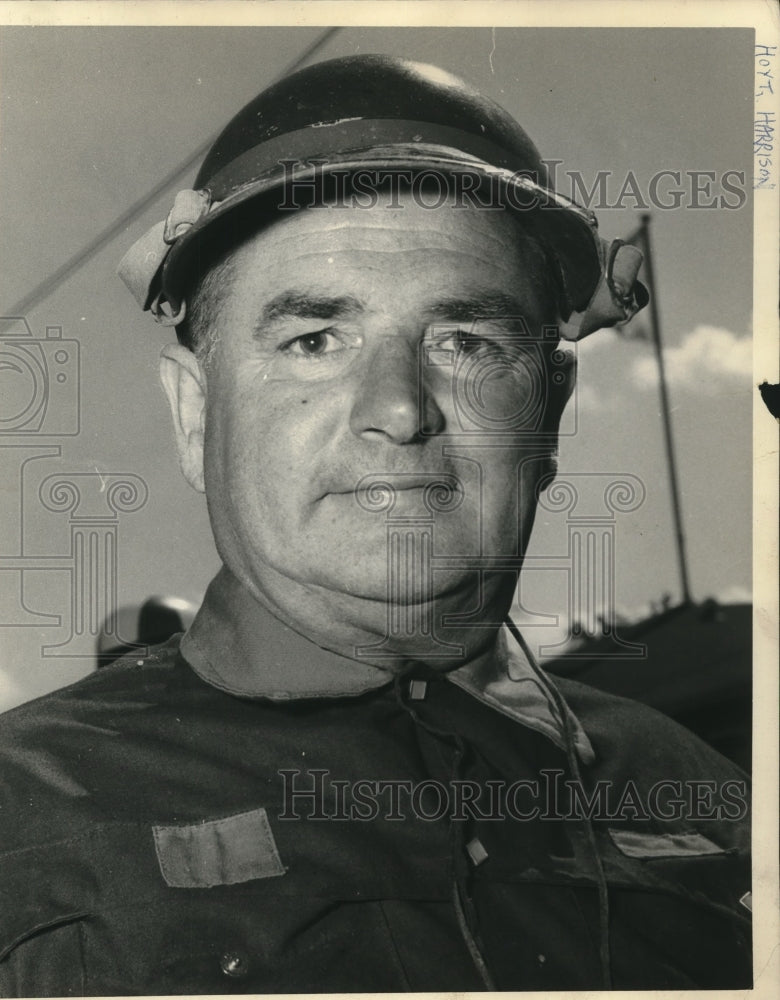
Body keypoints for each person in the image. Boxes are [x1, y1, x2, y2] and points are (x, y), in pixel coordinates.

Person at [0, 55, 751, 994]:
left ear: (548, 411)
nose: (398, 409)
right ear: (196, 416)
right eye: (314, 341)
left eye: (465, 343)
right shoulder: (23, 807)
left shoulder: (708, 795)